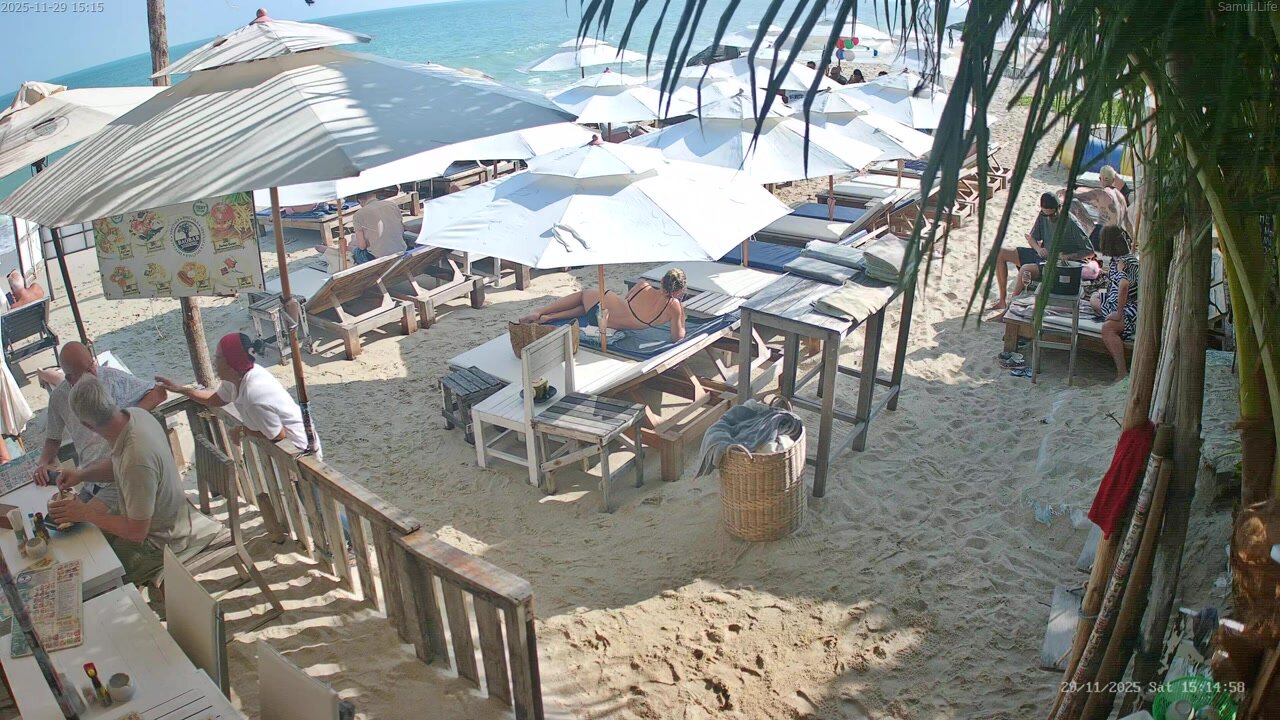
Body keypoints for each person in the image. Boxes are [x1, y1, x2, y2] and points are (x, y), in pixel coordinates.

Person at [48, 377, 218, 585]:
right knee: (90, 540)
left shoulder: (136, 459)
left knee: (97, 572)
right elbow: (117, 464)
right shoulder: (136, 416)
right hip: (165, 517)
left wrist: (86, 513)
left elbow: (136, 532)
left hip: (164, 541)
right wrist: (81, 475)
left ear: (86, 425)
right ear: (109, 399)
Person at [33, 343, 167, 510]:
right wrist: (43, 463)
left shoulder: (110, 377)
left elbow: (159, 392)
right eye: (86, 371)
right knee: (63, 515)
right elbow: (53, 438)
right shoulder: (59, 398)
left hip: (121, 475)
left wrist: (129, 418)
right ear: (69, 378)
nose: (94, 373)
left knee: (83, 517)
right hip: (91, 480)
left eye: (92, 365)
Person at [155, 333, 317, 456]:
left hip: (300, 451)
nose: (214, 362)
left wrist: (243, 431)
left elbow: (278, 435)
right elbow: (216, 399)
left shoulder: (254, 397)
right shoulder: (238, 377)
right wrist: (181, 389)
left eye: (218, 357)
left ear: (230, 364)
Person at [992, 192, 1098, 312]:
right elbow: (1032, 238)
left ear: (1059, 208)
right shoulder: (1043, 215)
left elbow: (1089, 251)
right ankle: (1002, 301)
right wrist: (1039, 249)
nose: (1048, 218)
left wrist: (1066, 256)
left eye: (1052, 215)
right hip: (1042, 255)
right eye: (1045, 214)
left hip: (1058, 264)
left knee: (1025, 269)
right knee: (1000, 253)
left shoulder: (1070, 222)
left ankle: (1009, 310)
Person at [518, 268, 688, 342]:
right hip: (605, 322)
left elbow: (626, 301)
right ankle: (548, 317)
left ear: (662, 280)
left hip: (604, 310)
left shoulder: (643, 285)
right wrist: (682, 318)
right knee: (586, 307)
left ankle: (541, 312)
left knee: (585, 298)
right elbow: (677, 337)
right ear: (680, 289)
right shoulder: (673, 306)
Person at [1090, 225, 1139, 381]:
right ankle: (1109, 313)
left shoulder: (1125, 262)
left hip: (1128, 306)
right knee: (1094, 298)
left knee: (1108, 328)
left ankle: (1121, 372)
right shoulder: (1117, 259)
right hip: (1116, 301)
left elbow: (1124, 286)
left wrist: (1118, 313)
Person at [351, 188, 407, 262]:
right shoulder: (392, 205)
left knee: (352, 247)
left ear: (360, 200)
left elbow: (362, 246)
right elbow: (401, 229)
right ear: (374, 195)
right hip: (401, 250)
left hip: (378, 257)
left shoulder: (358, 215)